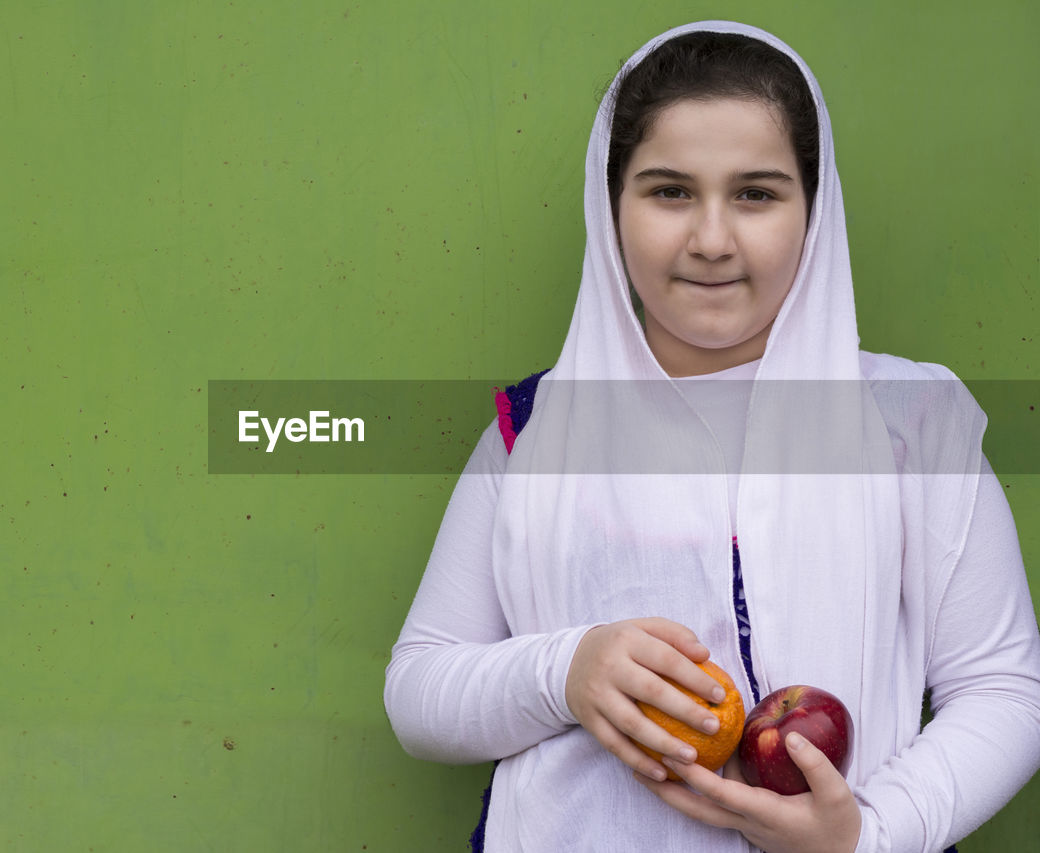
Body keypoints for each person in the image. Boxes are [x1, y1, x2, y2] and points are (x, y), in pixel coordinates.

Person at [383, 20, 1040, 853]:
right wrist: (565, 669)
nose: (712, 239)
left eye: (757, 193)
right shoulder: (534, 430)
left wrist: (870, 836)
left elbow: (1004, 688)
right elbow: (420, 689)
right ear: (610, 203)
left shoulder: (911, 421)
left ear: (815, 207)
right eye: (669, 191)